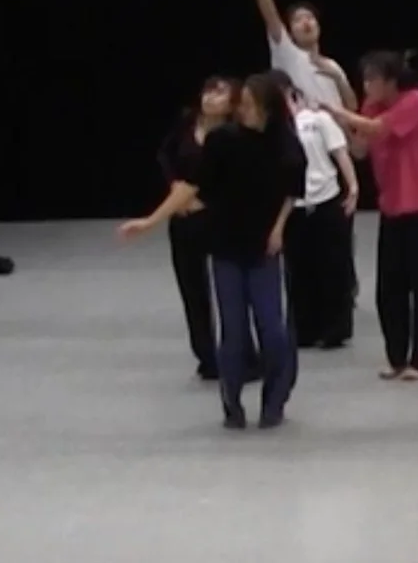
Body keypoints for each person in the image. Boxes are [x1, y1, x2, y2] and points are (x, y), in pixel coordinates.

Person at [120, 72, 306, 429]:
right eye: (243, 104)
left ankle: (275, 400)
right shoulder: (223, 141)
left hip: (265, 248)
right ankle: (232, 402)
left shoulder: (285, 146)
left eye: (250, 105)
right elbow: (192, 186)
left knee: (274, 330)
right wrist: (150, 221)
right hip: (226, 245)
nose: (243, 111)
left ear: (267, 109)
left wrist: (279, 228)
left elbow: (291, 190)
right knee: (232, 332)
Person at [231, 0, 361, 314]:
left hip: (332, 148)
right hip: (295, 152)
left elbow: (351, 109)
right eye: (299, 19)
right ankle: (306, 301)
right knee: (300, 234)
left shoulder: (332, 64)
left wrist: (338, 78)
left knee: (338, 234)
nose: (306, 22)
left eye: (311, 19)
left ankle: (341, 295)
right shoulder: (287, 55)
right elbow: (268, 14)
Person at [325, 52, 418, 382]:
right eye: (364, 79)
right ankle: (396, 358)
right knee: (389, 288)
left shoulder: (415, 101)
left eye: (373, 79)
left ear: (391, 80)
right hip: (391, 206)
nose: (367, 86)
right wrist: (340, 126)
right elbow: (362, 148)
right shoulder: (370, 107)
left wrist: (338, 111)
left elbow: (379, 129)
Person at [153, 75, 238, 380]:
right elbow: (165, 155)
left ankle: (239, 350)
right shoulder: (187, 123)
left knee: (228, 286)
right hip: (183, 215)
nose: (211, 98)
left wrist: (206, 199)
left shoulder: (233, 133)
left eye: (220, 93)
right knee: (192, 287)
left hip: (216, 217)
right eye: (208, 92)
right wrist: (175, 186)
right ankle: (206, 354)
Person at [276, 70, 359, 352]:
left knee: (332, 264)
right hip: (294, 205)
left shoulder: (317, 120)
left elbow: (339, 152)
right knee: (298, 268)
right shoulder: (275, 129)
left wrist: (354, 186)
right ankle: (305, 327)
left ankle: (336, 327)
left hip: (326, 198)